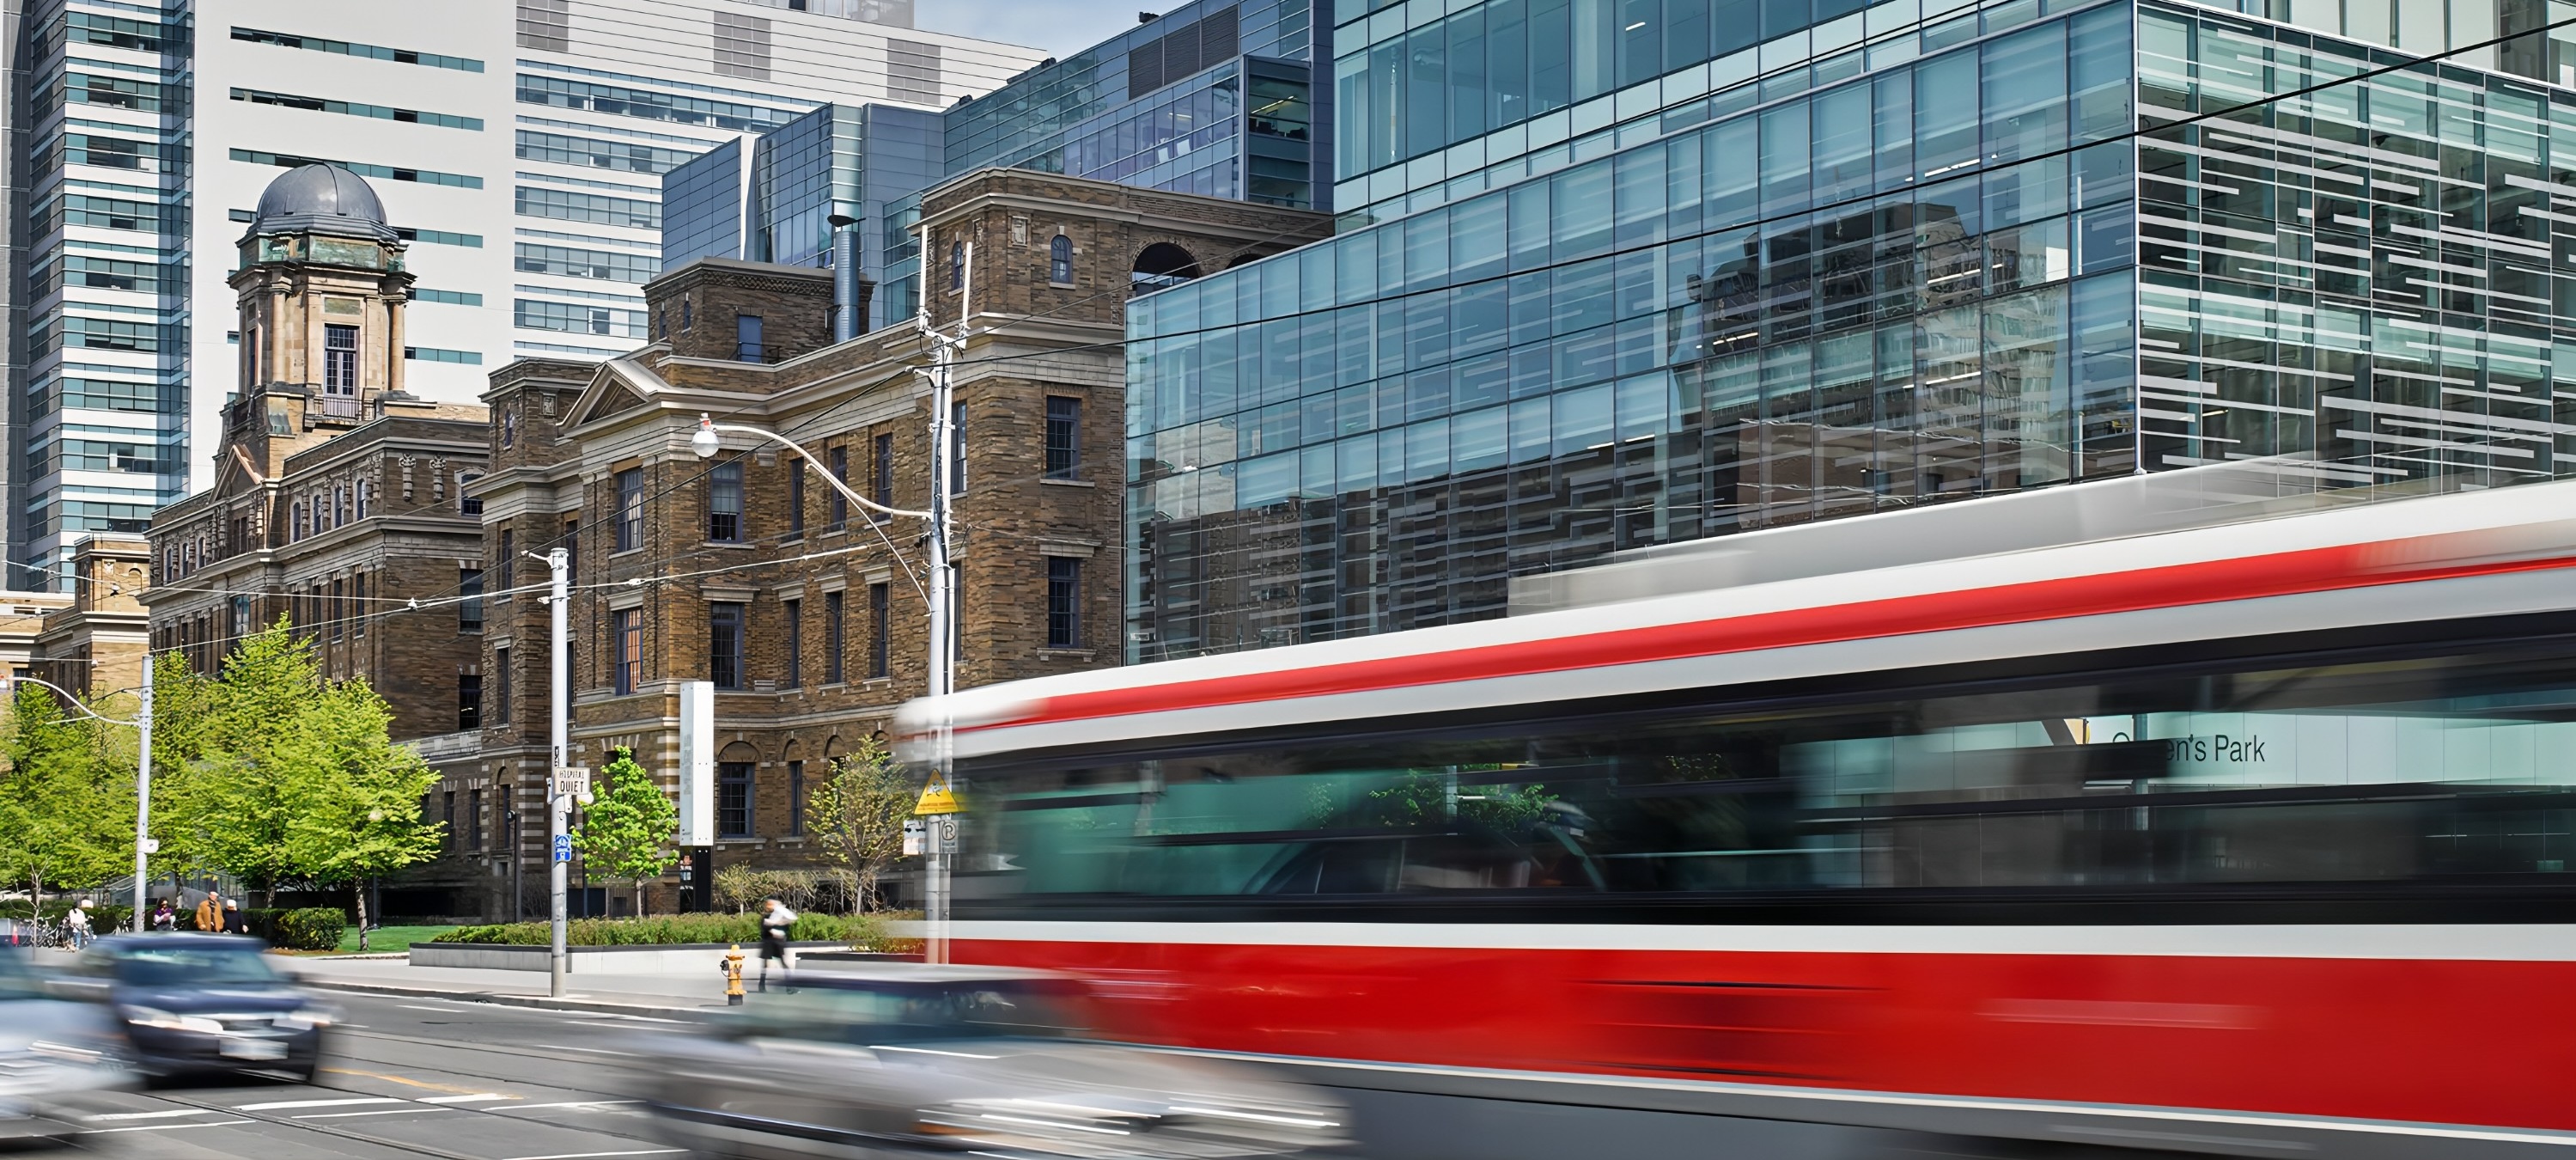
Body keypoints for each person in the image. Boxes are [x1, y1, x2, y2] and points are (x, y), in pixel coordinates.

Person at [756, 898, 796, 990]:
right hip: (768, 943)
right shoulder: (766, 917)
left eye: (771, 904)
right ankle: (761, 985)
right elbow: (764, 929)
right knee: (765, 965)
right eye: (768, 905)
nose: (769, 906)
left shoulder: (780, 915)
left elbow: (786, 928)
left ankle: (789, 986)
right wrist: (771, 929)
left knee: (783, 964)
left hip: (778, 943)